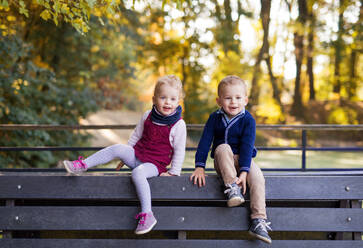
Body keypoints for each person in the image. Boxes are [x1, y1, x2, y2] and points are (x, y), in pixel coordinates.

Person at [63, 75, 186, 235]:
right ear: (154, 98)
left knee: (138, 173)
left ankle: (148, 214)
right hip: (138, 155)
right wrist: (125, 155)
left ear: (178, 101)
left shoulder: (178, 124)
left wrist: (173, 173)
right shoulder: (147, 115)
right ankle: (82, 165)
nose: (167, 102)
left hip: (154, 165)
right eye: (163, 97)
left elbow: (179, 150)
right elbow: (136, 136)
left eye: (172, 99)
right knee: (118, 148)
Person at [189, 75, 272, 244]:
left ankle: (258, 220)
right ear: (219, 101)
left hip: (244, 159)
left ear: (246, 100)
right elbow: (205, 142)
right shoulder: (215, 118)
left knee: (257, 178)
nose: (233, 102)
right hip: (223, 160)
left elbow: (247, 147)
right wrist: (199, 166)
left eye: (238, 97)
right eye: (228, 98)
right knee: (223, 147)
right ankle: (231, 187)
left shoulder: (248, 120)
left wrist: (244, 172)